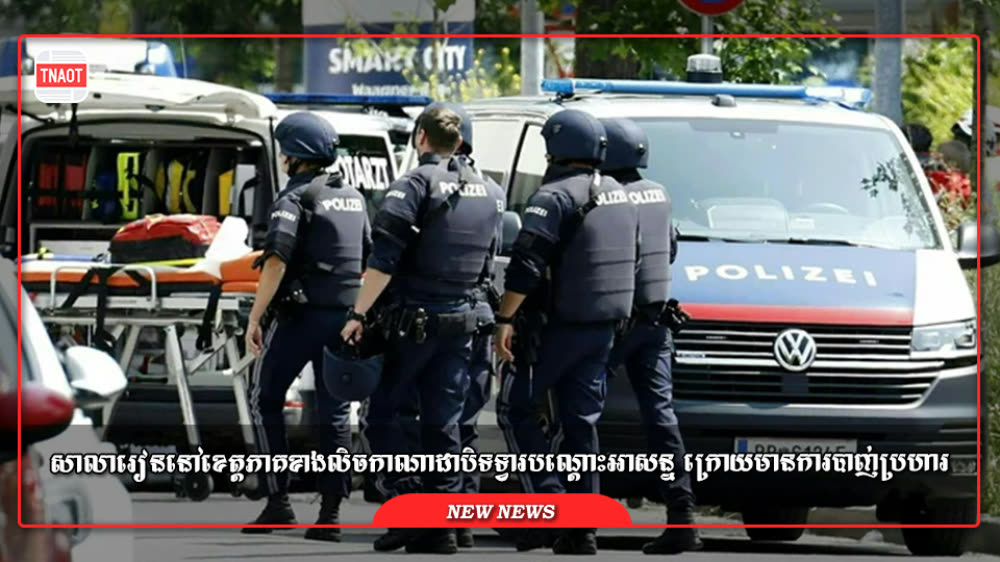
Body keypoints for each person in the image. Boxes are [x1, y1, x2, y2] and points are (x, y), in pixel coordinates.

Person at [341, 104, 504, 555]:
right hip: (463, 324)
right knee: (444, 426)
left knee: (383, 416)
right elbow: (489, 261)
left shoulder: (413, 185)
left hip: (413, 324)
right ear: (461, 141)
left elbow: (383, 261)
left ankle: (409, 510)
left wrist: (358, 315)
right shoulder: (492, 190)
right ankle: (444, 527)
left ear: (420, 138)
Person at [493, 109, 640, 555]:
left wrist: (505, 319)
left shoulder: (552, 197)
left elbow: (526, 265)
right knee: (580, 424)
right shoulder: (620, 194)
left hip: (554, 329)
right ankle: (582, 528)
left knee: (514, 408)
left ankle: (550, 502)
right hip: (603, 329)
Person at [242, 111, 371, 542]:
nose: (282, 159)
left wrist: (255, 317)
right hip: (345, 319)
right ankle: (330, 514)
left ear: (295, 156)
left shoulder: (293, 199)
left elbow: (276, 261)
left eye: (285, 152)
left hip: (301, 318)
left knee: (264, 398)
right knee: (335, 413)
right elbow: (367, 255)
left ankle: (278, 501)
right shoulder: (354, 197)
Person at [598, 117, 702, 554]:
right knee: (661, 418)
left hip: (613, 322)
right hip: (657, 322)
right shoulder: (659, 193)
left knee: (577, 411)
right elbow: (670, 249)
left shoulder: (607, 195)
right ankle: (682, 517)